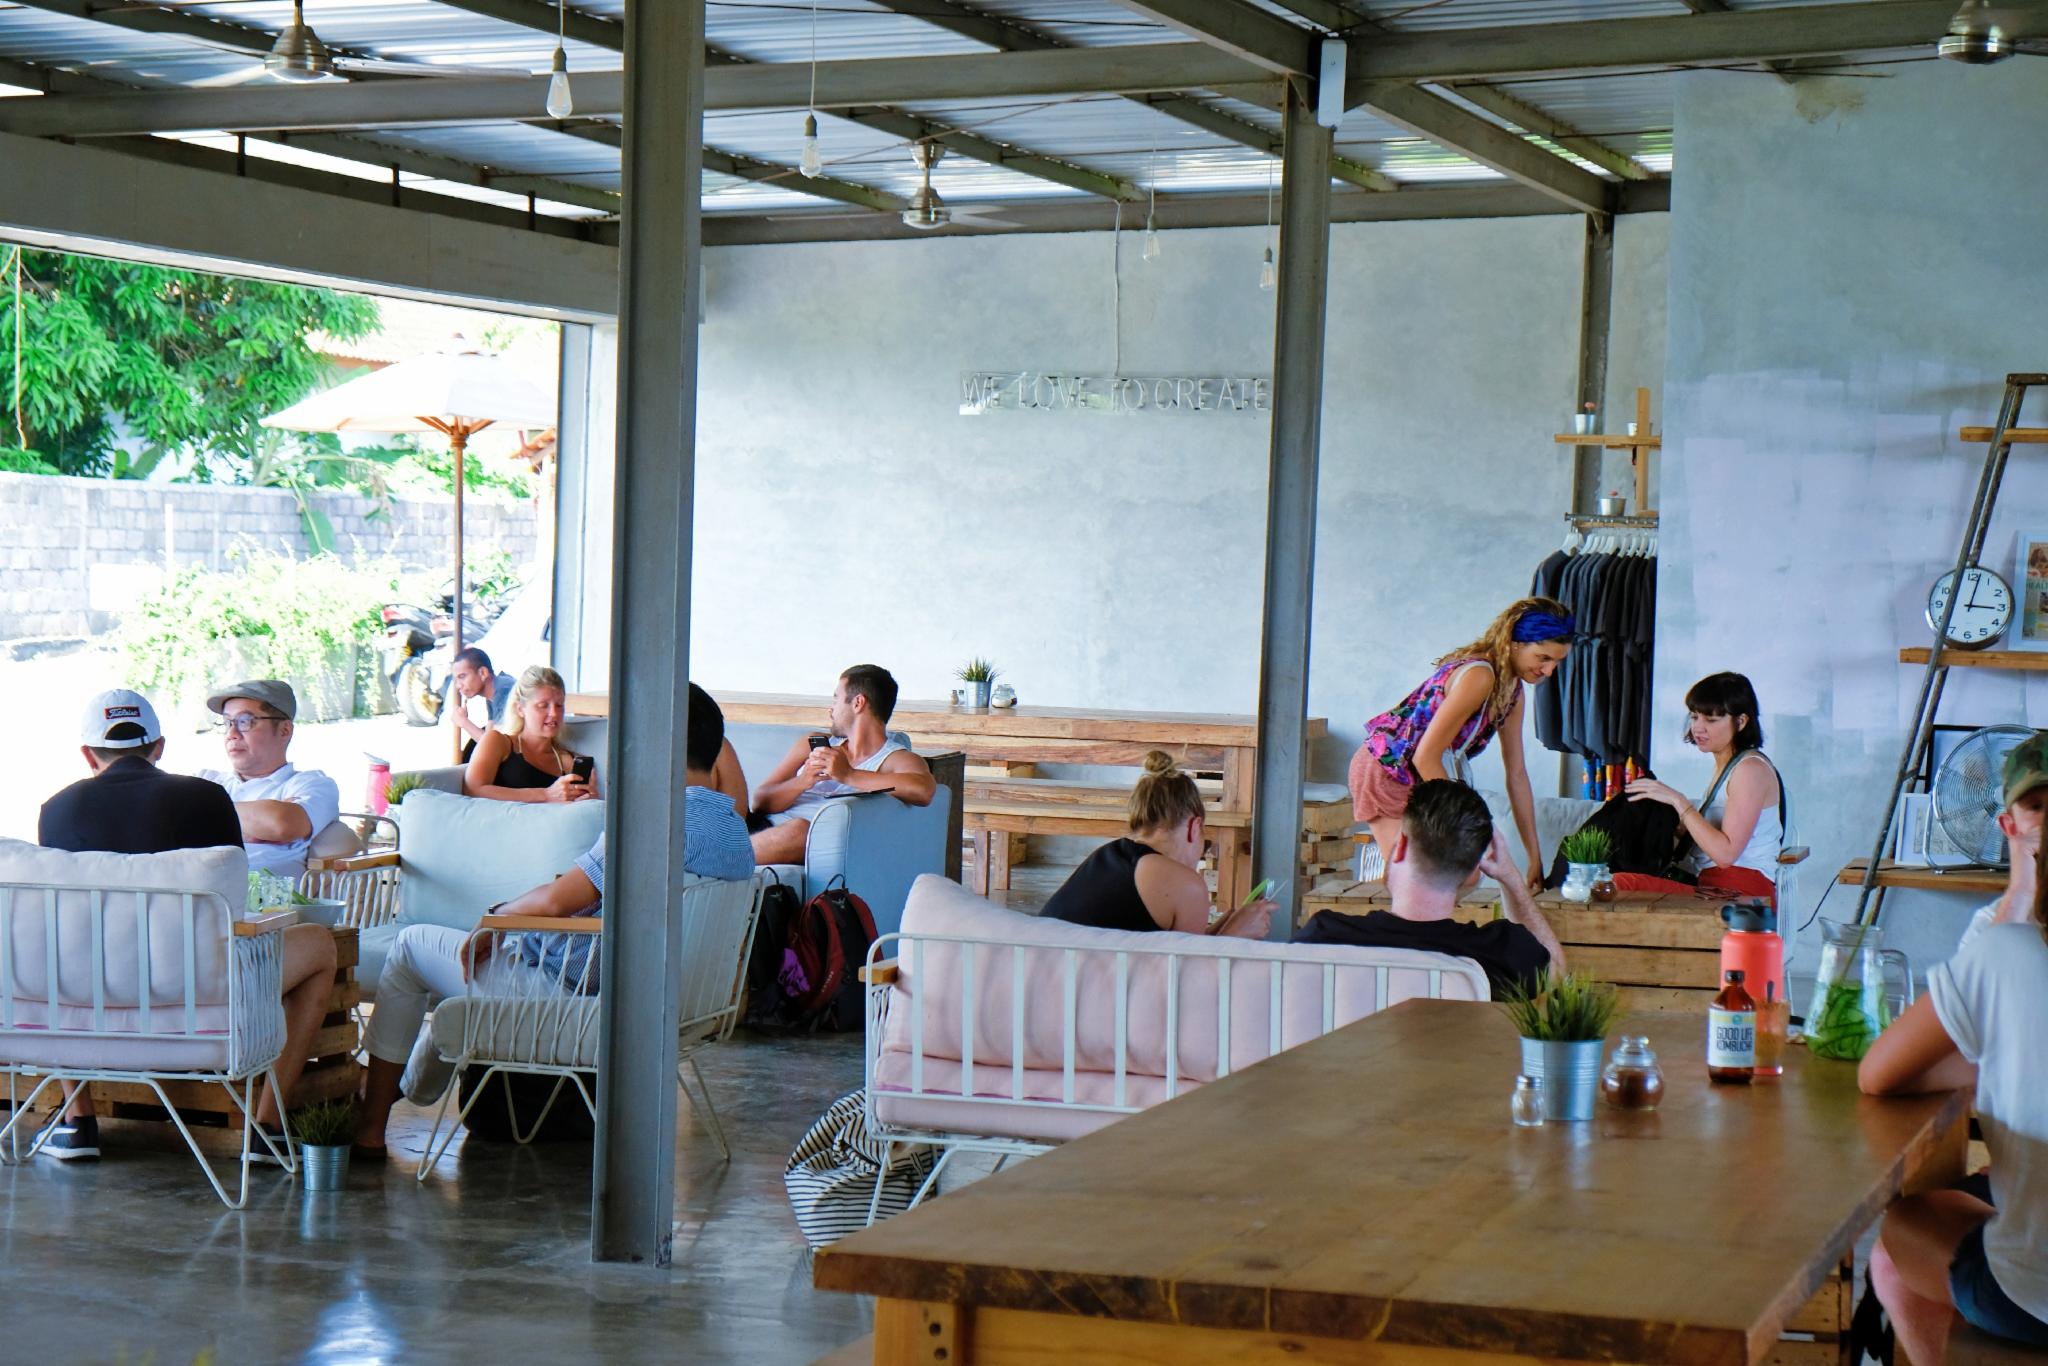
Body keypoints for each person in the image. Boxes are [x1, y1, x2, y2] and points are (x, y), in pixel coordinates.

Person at [352, 683, 753, 1159]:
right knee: (456, 1000)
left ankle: (370, 1125)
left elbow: (555, 904)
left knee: (411, 946)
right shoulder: (733, 834)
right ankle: (392, 1091)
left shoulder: (652, 822)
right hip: (674, 1006)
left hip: (574, 998)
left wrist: (494, 919)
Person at [37, 689, 337, 1163]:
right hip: (201, 996)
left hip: (88, 999)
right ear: (159, 747)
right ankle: (267, 1126)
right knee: (320, 945)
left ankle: (78, 1121)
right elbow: (232, 902)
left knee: (54, 949)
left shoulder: (55, 811)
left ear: (88, 756)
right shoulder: (206, 798)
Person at [1859, 833, 2048, 1359]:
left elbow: (1879, 1073)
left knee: (1905, 1223)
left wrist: (1994, 1060)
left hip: (2032, 1300)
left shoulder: (2007, 947)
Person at [1347, 598, 1572, 894]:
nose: (1549, 670)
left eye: (1557, 662)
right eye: (1543, 657)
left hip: (1420, 778)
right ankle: (1369, 916)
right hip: (1387, 770)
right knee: (1416, 881)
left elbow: (1517, 774)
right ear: (1516, 643)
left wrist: (1534, 857)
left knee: (1464, 878)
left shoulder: (1513, 693)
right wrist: (1465, 821)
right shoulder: (1480, 675)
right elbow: (1426, 756)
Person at [1299, 780, 1564, 1001]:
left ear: (1402, 845)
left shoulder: (1325, 937)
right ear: (1474, 871)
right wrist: (1511, 878)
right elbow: (1558, 973)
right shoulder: (1501, 952)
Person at [1041, 751, 1276, 938]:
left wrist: (1223, 929)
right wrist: (1238, 932)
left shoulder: (1108, 855)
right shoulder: (1186, 884)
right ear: (1194, 827)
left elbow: (1169, 953)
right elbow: (1190, 973)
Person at [1618, 672, 1783, 903]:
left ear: (1741, 721)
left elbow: (1725, 855)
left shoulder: (1749, 770)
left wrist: (1679, 802)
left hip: (1742, 893)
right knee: (1613, 878)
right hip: (1712, 886)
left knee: (1622, 884)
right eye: (1695, 717)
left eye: (1711, 720)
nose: (1698, 728)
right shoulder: (1728, 767)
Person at [750, 665, 935, 865]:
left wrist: (848, 775)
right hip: (756, 827)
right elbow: (760, 802)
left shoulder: (894, 759)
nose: (831, 710)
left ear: (858, 703)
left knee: (800, 830)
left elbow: (923, 791)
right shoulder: (813, 743)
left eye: (836, 699)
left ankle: (730, 858)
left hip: (798, 838)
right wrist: (803, 781)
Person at [197, 679, 342, 881]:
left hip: (264, 899)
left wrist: (202, 815)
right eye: (228, 722)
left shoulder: (312, 784)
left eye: (245, 721)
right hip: (194, 890)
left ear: (284, 730)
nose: (231, 734)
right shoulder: (207, 780)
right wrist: (251, 826)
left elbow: (280, 824)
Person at [1957, 732, 2048, 954]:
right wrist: (2020, 893)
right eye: (2035, 807)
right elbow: (1977, 975)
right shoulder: (1992, 923)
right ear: (2011, 827)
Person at [464, 664, 595, 803]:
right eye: (543, 706)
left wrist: (590, 800)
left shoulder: (568, 761)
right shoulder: (497, 741)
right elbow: (472, 790)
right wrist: (546, 795)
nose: (554, 713)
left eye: (559, 705)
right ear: (520, 709)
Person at [449, 646, 515, 764]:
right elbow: (488, 737)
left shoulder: (504, 690)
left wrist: (463, 722)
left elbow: (493, 746)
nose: (458, 685)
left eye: (462, 677)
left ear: (483, 673)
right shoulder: (492, 694)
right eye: (456, 680)